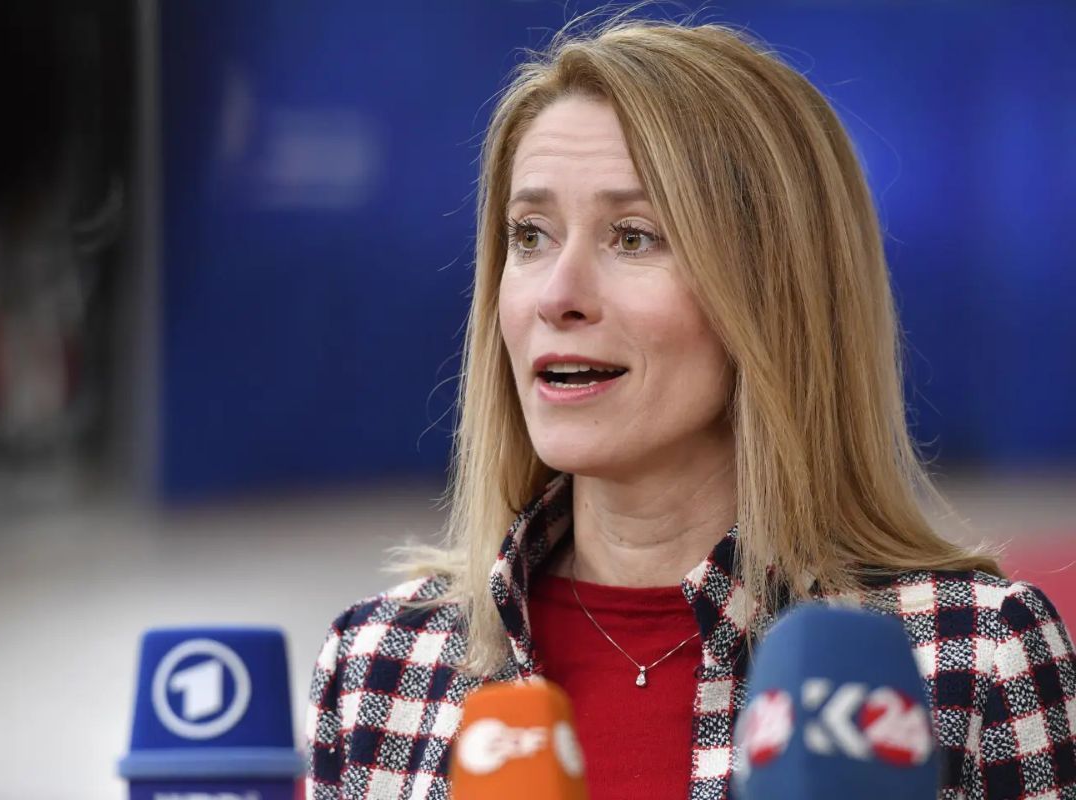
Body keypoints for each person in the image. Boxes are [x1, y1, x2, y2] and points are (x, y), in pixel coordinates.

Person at [304, 17, 1076, 800]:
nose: (557, 295)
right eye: (530, 235)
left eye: (633, 238)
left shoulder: (972, 657)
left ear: (774, 292)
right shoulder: (378, 664)